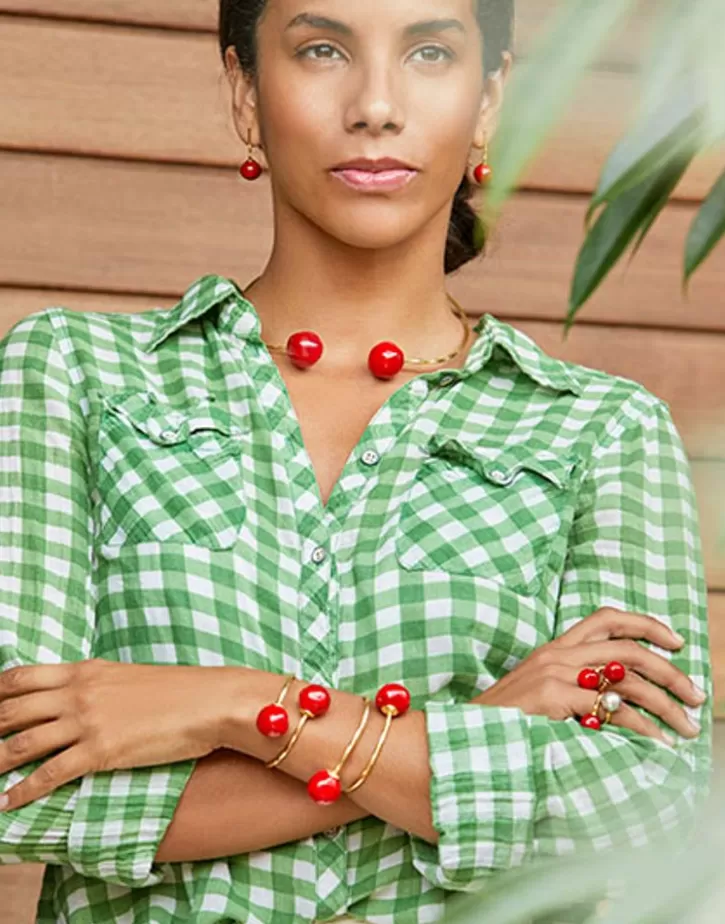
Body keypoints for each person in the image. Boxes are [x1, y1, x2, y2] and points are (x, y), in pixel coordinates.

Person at [0, 0, 712, 922]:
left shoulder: (602, 429)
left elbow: (643, 804)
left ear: (487, 100)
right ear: (245, 92)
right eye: (322, 50)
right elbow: (18, 783)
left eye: (429, 53)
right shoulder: (74, 372)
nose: (376, 105)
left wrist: (236, 706)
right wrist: (477, 732)